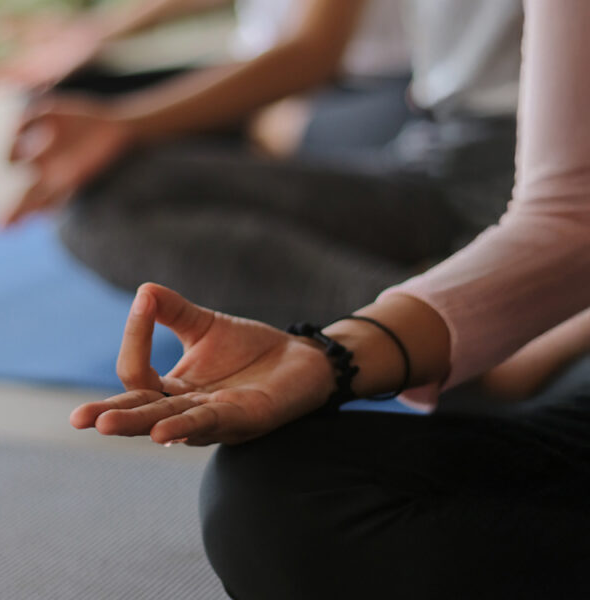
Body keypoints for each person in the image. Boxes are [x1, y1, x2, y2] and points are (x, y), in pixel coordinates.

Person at [70, 1, 590, 597]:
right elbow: (569, 213)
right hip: (443, 147)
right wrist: (328, 355)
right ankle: (483, 337)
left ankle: (517, 338)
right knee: (273, 498)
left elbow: (313, 52)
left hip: (444, 139)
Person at [0, 0, 522, 326]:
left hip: (479, 149)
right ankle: (416, 316)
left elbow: (310, 52)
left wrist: (124, 123)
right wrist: (100, 33)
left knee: (251, 496)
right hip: (433, 151)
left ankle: (434, 327)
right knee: (104, 207)